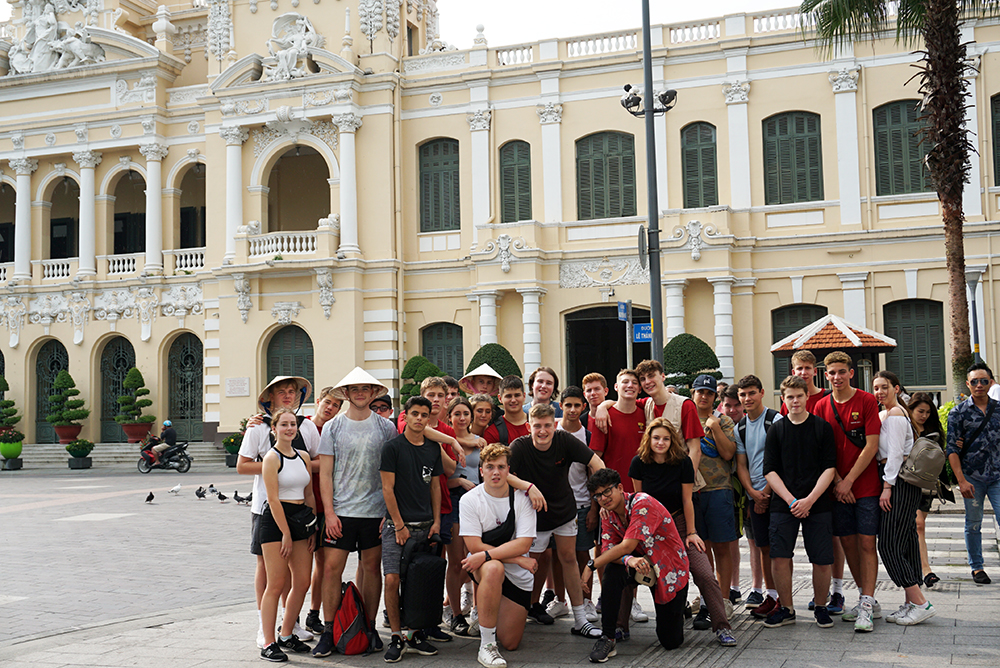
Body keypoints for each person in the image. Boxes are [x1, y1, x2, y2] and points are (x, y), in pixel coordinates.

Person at [311, 369, 397, 657]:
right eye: (354, 388)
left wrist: (389, 510)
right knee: (331, 570)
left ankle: (369, 628)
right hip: (342, 512)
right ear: (345, 394)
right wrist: (330, 513)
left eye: (366, 388)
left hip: (374, 512)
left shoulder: (386, 428)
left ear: (373, 393)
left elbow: (391, 473)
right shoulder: (334, 427)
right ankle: (328, 629)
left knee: (372, 569)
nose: (360, 393)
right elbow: (325, 474)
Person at [629, 417, 736, 647]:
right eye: (656, 438)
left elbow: (687, 500)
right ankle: (617, 627)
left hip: (678, 523)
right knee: (626, 572)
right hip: (651, 529)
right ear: (649, 439)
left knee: (705, 574)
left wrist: (692, 532)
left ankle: (722, 627)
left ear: (672, 441)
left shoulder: (683, 463)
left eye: (666, 439)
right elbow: (639, 500)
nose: (660, 442)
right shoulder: (638, 463)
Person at [237, 375, 320, 648]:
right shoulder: (257, 428)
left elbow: (319, 461)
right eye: (281, 392)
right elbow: (242, 465)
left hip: (299, 511)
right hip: (267, 507)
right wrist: (275, 466)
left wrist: (297, 465)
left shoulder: (306, 427)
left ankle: (289, 623)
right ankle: (266, 627)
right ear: (270, 398)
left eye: (291, 392)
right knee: (268, 569)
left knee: (297, 576)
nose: (287, 395)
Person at [510, 403, 604, 636]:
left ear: (555, 425)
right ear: (528, 426)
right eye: (537, 426)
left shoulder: (564, 440)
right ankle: (521, 611)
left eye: (547, 426)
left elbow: (596, 462)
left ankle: (580, 618)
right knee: (529, 564)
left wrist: (603, 494)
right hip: (533, 516)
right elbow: (503, 474)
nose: (542, 431)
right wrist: (528, 487)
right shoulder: (519, 446)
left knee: (569, 559)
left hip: (564, 512)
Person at [582, 469, 691, 663]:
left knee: (671, 641)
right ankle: (608, 637)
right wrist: (628, 560)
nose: (604, 498)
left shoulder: (643, 502)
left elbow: (626, 546)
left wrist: (591, 565)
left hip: (668, 569)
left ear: (620, 488)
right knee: (613, 573)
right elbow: (610, 549)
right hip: (637, 562)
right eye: (598, 495)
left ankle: (682, 607)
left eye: (607, 491)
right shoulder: (607, 513)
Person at [812, 351, 883, 632]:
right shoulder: (821, 407)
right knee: (849, 543)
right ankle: (868, 598)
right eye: (832, 373)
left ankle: (865, 603)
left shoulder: (866, 400)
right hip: (836, 488)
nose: (837, 377)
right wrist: (838, 482)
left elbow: (872, 445)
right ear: (825, 375)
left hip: (864, 486)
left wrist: (849, 481)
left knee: (867, 543)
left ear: (851, 373)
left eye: (842, 371)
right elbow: (821, 450)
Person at [761, 376, 837, 629]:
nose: (795, 401)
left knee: (823, 558)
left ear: (807, 397)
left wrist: (810, 500)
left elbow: (829, 467)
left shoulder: (821, 427)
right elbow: (770, 470)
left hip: (818, 502)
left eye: (799, 396)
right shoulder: (776, 430)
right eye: (790, 397)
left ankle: (821, 606)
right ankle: (787, 608)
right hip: (784, 503)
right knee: (780, 556)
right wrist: (793, 500)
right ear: (783, 399)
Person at [460, 442, 539, 668]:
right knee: (494, 568)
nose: (496, 472)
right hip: (486, 566)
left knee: (511, 643)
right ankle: (486, 645)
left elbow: (523, 543)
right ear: (481, 470)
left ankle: (487, 614)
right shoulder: (470, 499)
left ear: (509, 471)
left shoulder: (523, 499)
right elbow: (474, 545)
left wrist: (489, 555)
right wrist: (517, 559)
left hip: (515, 574)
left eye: (501, 467)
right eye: (490, 467)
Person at [380, 396, 444, 663]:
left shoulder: (432, 448)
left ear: (430, 418)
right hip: (397, 527)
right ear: (405, 416)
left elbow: (435, 486)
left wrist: (437, 521)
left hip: (425, 526)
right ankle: (396, 636)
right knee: (393, 579)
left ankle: (414, 634)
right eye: (414, 414)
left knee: (419, 583)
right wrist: (398, 525)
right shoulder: (392, 447)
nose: (419, 419)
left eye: (424, 415)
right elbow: (387, 488)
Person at [588, 369, 652, 625]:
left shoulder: (644, 414)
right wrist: (600, 500)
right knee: (606, 547)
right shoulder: (605, 417)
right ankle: (607, 596)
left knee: (634, 547)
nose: (630, 386)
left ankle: (632, 600)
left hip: (636, 499)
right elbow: (595, 460)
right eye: (625, 382)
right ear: (615, 386)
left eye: (634, 383)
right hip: (609, 498)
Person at [784, 349, 846, 614]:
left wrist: (839, 479)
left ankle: (837, 591)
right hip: (800, 485)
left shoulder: (824, 398)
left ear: (815, 371)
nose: (803, 372)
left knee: (833, 539)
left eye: (808, 368)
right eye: (799, 368)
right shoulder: (789, 401)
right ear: (792, 371)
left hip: (830, 478)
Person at [873, 371, 936, 625]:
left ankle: (921, 602)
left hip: (898, 481)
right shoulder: (887, 414)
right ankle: (911, 602)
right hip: (897, 481)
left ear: (896, 389)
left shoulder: (897, 415)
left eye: (885, 387)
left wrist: (887, 487)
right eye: (876, 388)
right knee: (906, 540)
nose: (879, 392)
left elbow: (897, 454)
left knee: (888, 544)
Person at [258, 407, 318, 661]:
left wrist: (312, 527)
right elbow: (272, 499)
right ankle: (269, 642)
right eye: (284, 424)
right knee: (276, 584)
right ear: (274, 429)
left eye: (292, 424)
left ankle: (286, 634)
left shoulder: (303, 456)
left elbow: (309, 494)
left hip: (301, 521)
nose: (289, 428)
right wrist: (285, 533)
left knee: (302, 582)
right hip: (275, 522)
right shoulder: (271, 458)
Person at [689, 374, 738, 630]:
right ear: (692, 392)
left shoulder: (725, 421)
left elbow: (729, 453)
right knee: (701, 550)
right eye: (700, 391)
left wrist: (715, 427)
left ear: (715, 397)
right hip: (693, 492)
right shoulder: (684, 420)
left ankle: (724, 598)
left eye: (709, 392)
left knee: (722, 547)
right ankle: (708, 598)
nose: (704, 396)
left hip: (719, 490)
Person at [947, 362, 1000, 586]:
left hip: (998, 476)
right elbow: (952, 450)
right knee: (974, 523)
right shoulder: (958, 413)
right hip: (972, 478)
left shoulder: (999, 409)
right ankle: (977, 567)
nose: (979, 385)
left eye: (984, 381)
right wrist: (961, 480)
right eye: (975, 381)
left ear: (991, 382)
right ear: (967, 384)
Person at [735, 374, 782, 618]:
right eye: (743, 394)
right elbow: (741, 465)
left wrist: (767, 492)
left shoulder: (776, 420)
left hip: (778, 495)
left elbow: (784, 460)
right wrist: (753, 493)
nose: (747, 398)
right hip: (755, 496)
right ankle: (771, 595)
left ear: (762, 392)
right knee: (763, 546)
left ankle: (784, 600)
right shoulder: (740, 427)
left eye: (751, 393)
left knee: (780, 549)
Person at [551, 386, 599, 623]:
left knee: (582, 554)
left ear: (584, 407)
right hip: (554, 506)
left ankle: (586, 600)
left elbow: (593, 474)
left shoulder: (588, 437)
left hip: (581, 505)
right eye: (567, 405)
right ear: (561, 406)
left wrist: (593, 507)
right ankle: (560, 601)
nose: (572, 409)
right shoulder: (551, 432)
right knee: (555, 557)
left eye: (576, 405)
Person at [304, 388, 342, 637]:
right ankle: (291, 617)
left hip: (327, 504)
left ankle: (314, 613)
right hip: (305, 506)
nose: (330, 408)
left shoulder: (336, 431)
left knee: (324, 563)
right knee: (303, 565)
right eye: (327, 402)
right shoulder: (304, 427)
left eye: (336, 405)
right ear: (318, 402)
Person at [445, 396, 484, 636]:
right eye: (457, 414)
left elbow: (485, 472)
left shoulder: (480, 441)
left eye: (465, 414)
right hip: (455, 498)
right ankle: (455, 613)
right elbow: (440, 480)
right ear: (449, 417)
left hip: (478, 500)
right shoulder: (445, 441)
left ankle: (479, 611)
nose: (461, 418)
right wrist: (459, 480)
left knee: (477, 556)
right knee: (457, 559)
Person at [908, 392, 955, 587]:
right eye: (920, 411)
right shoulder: (904, 427)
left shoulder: (933, 430)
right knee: (909, 527)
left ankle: (925, 570)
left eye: (928, 412)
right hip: (905, 483)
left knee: (919, 525)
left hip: (926, 484)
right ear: (911, 409)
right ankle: (915, 569)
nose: (924, 415)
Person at [484, 376, 530, 446]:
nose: (513, 400)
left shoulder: (539, 425)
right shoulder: (492, 432)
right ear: (500, 398)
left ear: (524, 396)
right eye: (508, 396)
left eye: (517, 395)